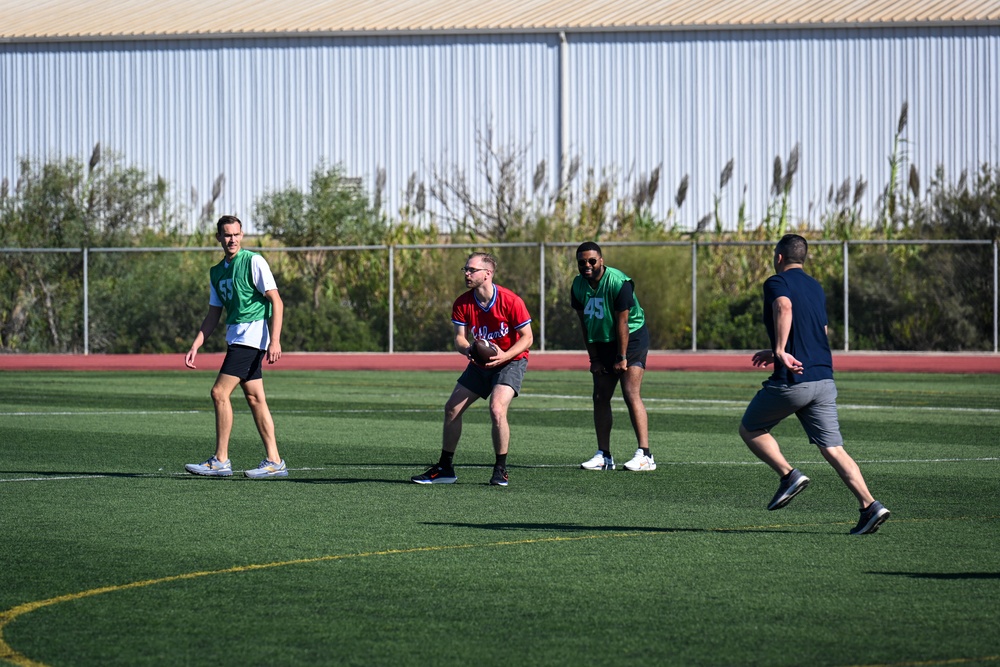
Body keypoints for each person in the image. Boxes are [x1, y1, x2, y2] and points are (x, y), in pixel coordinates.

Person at [739, 233, 889, 535]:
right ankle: (870, 505)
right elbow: (821, 329)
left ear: (779, 257)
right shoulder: (815, 286)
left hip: (794, 380)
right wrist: (779, 350)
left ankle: (788, 475)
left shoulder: (776, 282)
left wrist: (780, 350)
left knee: (750, 428)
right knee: (833, 449)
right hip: (823, 377)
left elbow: (783, 308)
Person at [411, 252, 533, 487]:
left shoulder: (510, 300)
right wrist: (469, 350)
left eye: (472, 270)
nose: (466, 273)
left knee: (497, 409)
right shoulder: (462, 303)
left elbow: (527, 338)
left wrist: (504, 356)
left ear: (487, 273)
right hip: (479, 364)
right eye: (465, 269)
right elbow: (459, 339)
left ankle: (500, 469)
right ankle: (445, 468)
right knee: (451, 409)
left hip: (511, 361)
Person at [184, 214, 288, 479]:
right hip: (236, 338)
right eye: (227, 235)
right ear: (218, 237)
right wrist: (196, 344)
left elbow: (276, 301)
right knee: (255, 398)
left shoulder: (253, 261)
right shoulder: (216, 272)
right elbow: (212, 315)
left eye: (236, 234)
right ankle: (275, 461)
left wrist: (275, 340)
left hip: (251, 338)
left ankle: (221, 460)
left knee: (219, 393)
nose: (232, 239)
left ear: (242, 235)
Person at [571, 241, 655, 472]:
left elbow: (623, 322)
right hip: (602, 341)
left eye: (591, 261)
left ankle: (645, 455)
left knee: (630, 392)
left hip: (632, 337)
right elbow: (584, 324)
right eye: (582, 262)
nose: (586, 265)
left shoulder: (618, 282)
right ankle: (604, 455)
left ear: (601, 260)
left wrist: (622, 357)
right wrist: (594, 359)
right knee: (600, 396)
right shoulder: (578, 285)